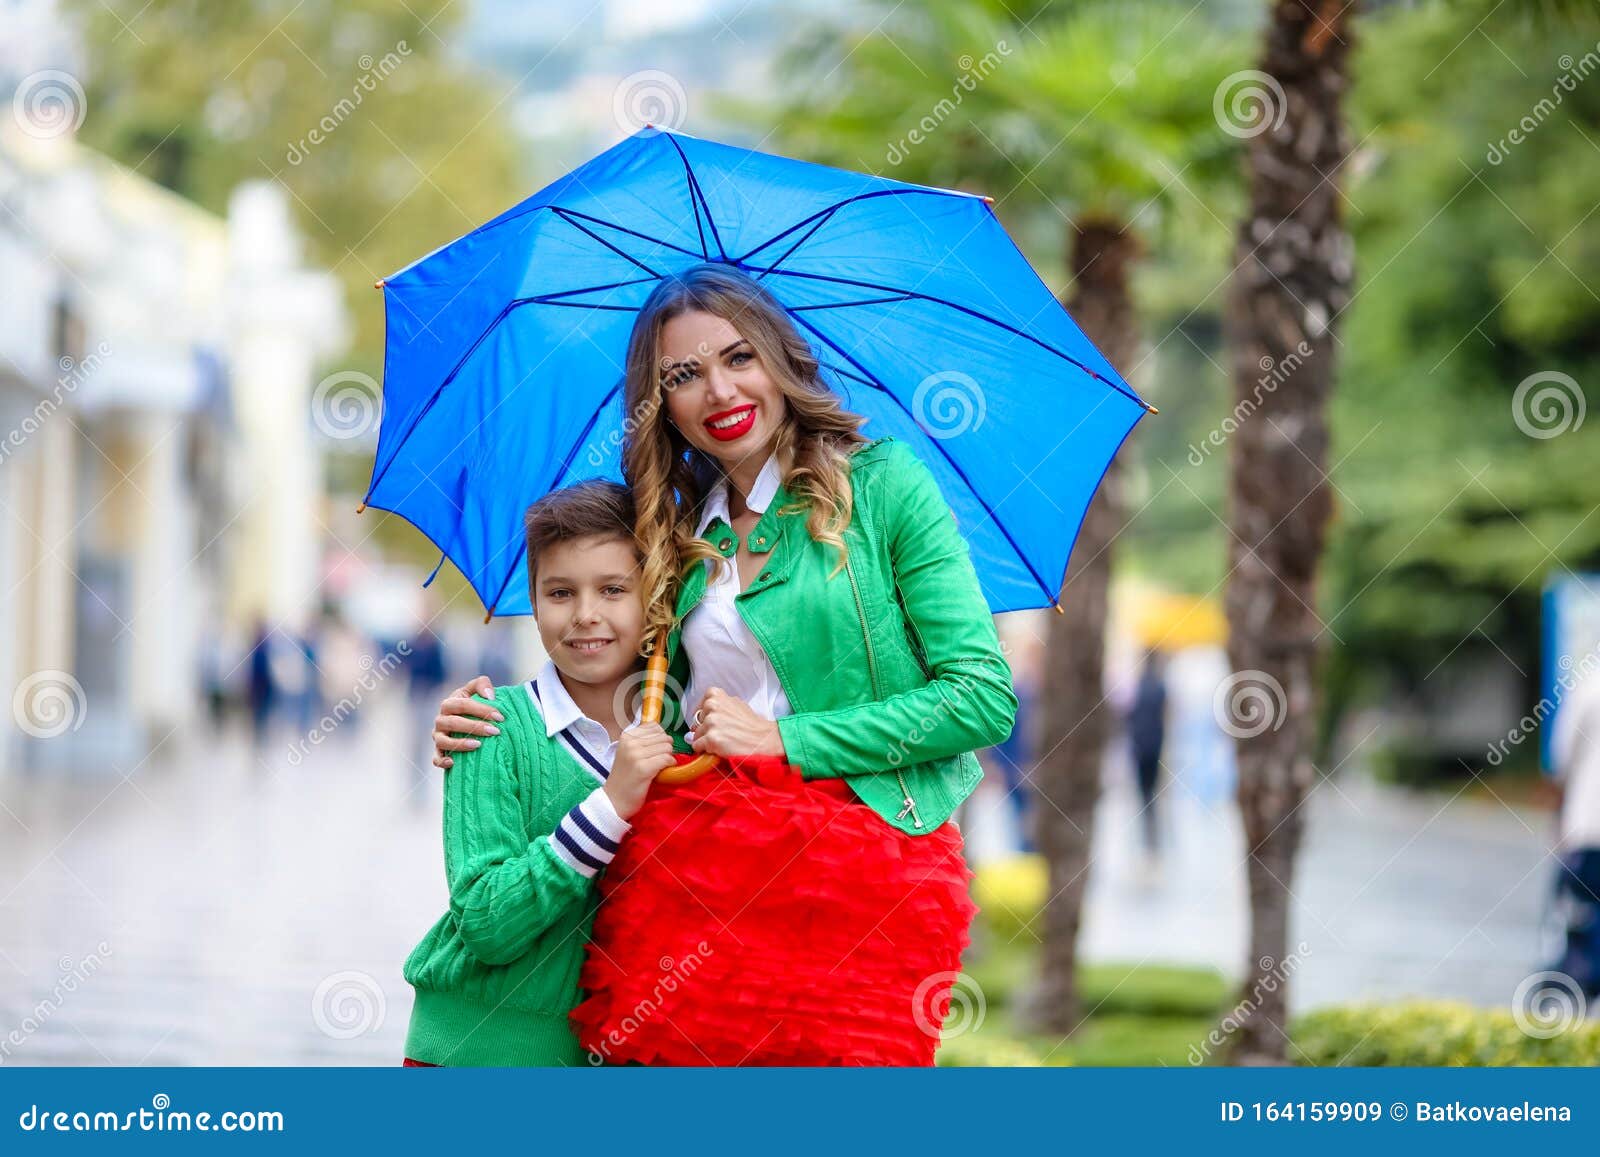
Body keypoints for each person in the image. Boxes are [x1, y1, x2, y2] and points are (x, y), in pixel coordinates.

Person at [432, 263, 1017, 1065]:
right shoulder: (670, 535)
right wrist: (496, 723)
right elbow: (623, 697)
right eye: (684, 374)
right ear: (659, 401)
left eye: (739, 357)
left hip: (865, 871)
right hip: (692, 873)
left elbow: (981, 699)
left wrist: (788, 740)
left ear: (782, 360)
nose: (718, 390)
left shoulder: (884, 487)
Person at [400, 481, 676, 1066]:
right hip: (475, 1051)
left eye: (613, 590)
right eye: (559, 592)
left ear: (652, 596)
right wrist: (610, 805)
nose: (585, 615)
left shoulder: (683, 747)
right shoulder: (489, 730)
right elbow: (487, 923)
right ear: (532, 597)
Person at [1548, 669, 1600, 998]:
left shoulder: (1589, 684)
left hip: (1588, 831)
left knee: (1581, 925)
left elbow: (1561, 758)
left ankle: (1575, 1017)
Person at [1127, 648, 1169, 858]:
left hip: (1140, 747)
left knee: (1144, 792)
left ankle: (1148, 835)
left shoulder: (1138, 686)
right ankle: (1152, 836)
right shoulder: (1160, 687)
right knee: (1151, 791)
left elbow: (1129, 717)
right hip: (1155, 746)